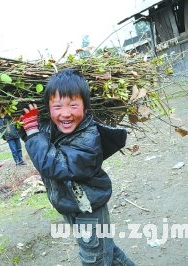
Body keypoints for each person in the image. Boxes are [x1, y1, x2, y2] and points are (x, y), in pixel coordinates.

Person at [20, 68, 136, 265]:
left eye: (73, 105)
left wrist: (32, 130)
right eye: (57, 107)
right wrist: (26, 124)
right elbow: (36, 139)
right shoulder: (51, 128)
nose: (65, 113)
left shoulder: (89, 139)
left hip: (89, 209)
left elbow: (53, 165)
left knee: (94, 258)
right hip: (70, 205)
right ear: (48, 109)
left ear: (85, 106)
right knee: (107, 250)